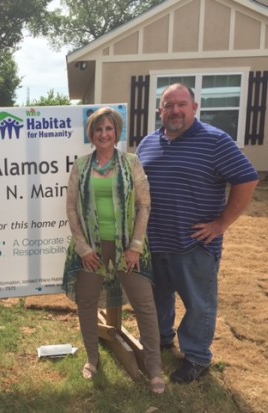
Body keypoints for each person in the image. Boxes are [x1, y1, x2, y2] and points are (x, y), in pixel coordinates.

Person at [137, 83, 259, 384]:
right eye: (168, 105)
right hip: (155, 241)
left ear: (194, 108)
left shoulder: (216, 141)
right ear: (160, 111)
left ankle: (196, 357)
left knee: (198, 304)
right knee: (157, 298)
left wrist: (221, 223)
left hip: (194, 243)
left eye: (181, 104)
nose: (175, 110)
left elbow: (247, 180)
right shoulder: (147, 144)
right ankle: (163, 340)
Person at [63, 107, 165, 394]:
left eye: (109, 129)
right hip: (92, 248)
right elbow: (71, 206)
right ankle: (92, 359)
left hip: (127, 248)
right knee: (87, 303)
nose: (104, 134)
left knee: (145, 305)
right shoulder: (81, 166)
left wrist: (135, 247)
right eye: (98, 129)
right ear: (91, 134)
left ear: (116, 133)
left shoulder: (131, 162)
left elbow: (144, 204)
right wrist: (83, 248)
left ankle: (155, 368)